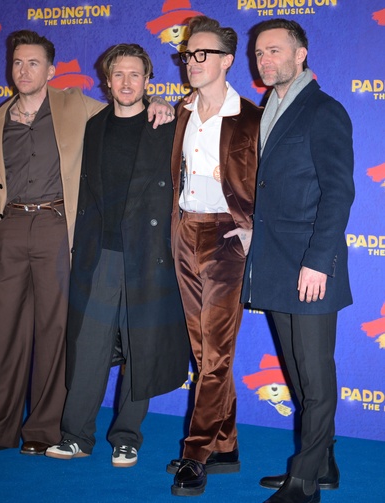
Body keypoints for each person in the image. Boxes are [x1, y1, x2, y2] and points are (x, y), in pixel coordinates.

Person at [0, 30, 174, 458]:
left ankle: (43, 429)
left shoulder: (76, 106)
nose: (24, 70)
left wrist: (161, 103)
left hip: (58, 227)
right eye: (18, 62)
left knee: (56, 332)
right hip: (10, 227)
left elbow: (129, 107)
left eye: (34, 63)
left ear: (51, 70)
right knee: (1, 333)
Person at [45, 43, 190, 467]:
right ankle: (76, 435)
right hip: (100, 255)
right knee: (88, 347)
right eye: (119, 74)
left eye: (135, 75)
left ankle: (127, 437)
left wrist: (165, 105)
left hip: (147, 255)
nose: (127, 82)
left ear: (148, 81)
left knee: (141, 348)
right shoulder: (95, 126)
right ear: (107, 81)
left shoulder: (167, 124)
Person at [241, 19, 354, 503]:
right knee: (297, 372)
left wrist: (318, 260)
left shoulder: (323, 110)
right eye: (259, 53)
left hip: (310, 264)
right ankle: (322, 462)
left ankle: (305, 481)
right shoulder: (268, 110)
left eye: (274, 50)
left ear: (300, 54)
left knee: (315, 374)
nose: (265, 60)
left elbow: (338, 192)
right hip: (275, 261)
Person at [166, 16, 262, 497]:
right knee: (204, 351)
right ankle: (225, 446)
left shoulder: (252, 117)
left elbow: (276, 178)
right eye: (188, 54)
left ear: (227, 60)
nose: (192, 61)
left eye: (202, 54)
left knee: (217, 351)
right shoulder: (179, 111)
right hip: (185, 231)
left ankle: (196, 452)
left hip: (227, 238)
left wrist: (253, 227)